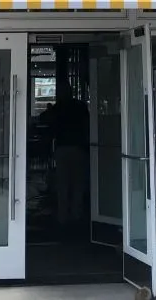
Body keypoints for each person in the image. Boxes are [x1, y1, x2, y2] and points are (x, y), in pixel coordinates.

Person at [47, 79, 90, 228]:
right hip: (78, 148)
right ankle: (76, 214)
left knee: (63, 183)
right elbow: (87, 125)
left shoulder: (58, 107)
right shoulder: (80, 106)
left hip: (63, 148)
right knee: (78, 182)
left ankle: (62, 216)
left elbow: (46, 120)